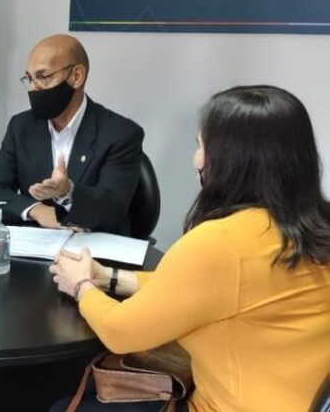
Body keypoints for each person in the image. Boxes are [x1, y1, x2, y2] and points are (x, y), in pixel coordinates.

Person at [50, 86, 330, 411]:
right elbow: (197, 290)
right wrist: (109, 277)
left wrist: (82, 285)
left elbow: (119, 332)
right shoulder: (314, 225)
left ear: (230, 161)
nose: (195, 159)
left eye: (200, 145)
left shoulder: (222, 242)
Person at [0, 34, 144, 235]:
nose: (33, 87)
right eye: (29, 78)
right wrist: (35, 210)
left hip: (93, 252)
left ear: (76, 76)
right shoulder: (22, 127)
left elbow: (113, 210)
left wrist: (68, 191)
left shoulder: (120, 134)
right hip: (35, 249)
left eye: (43, 77)